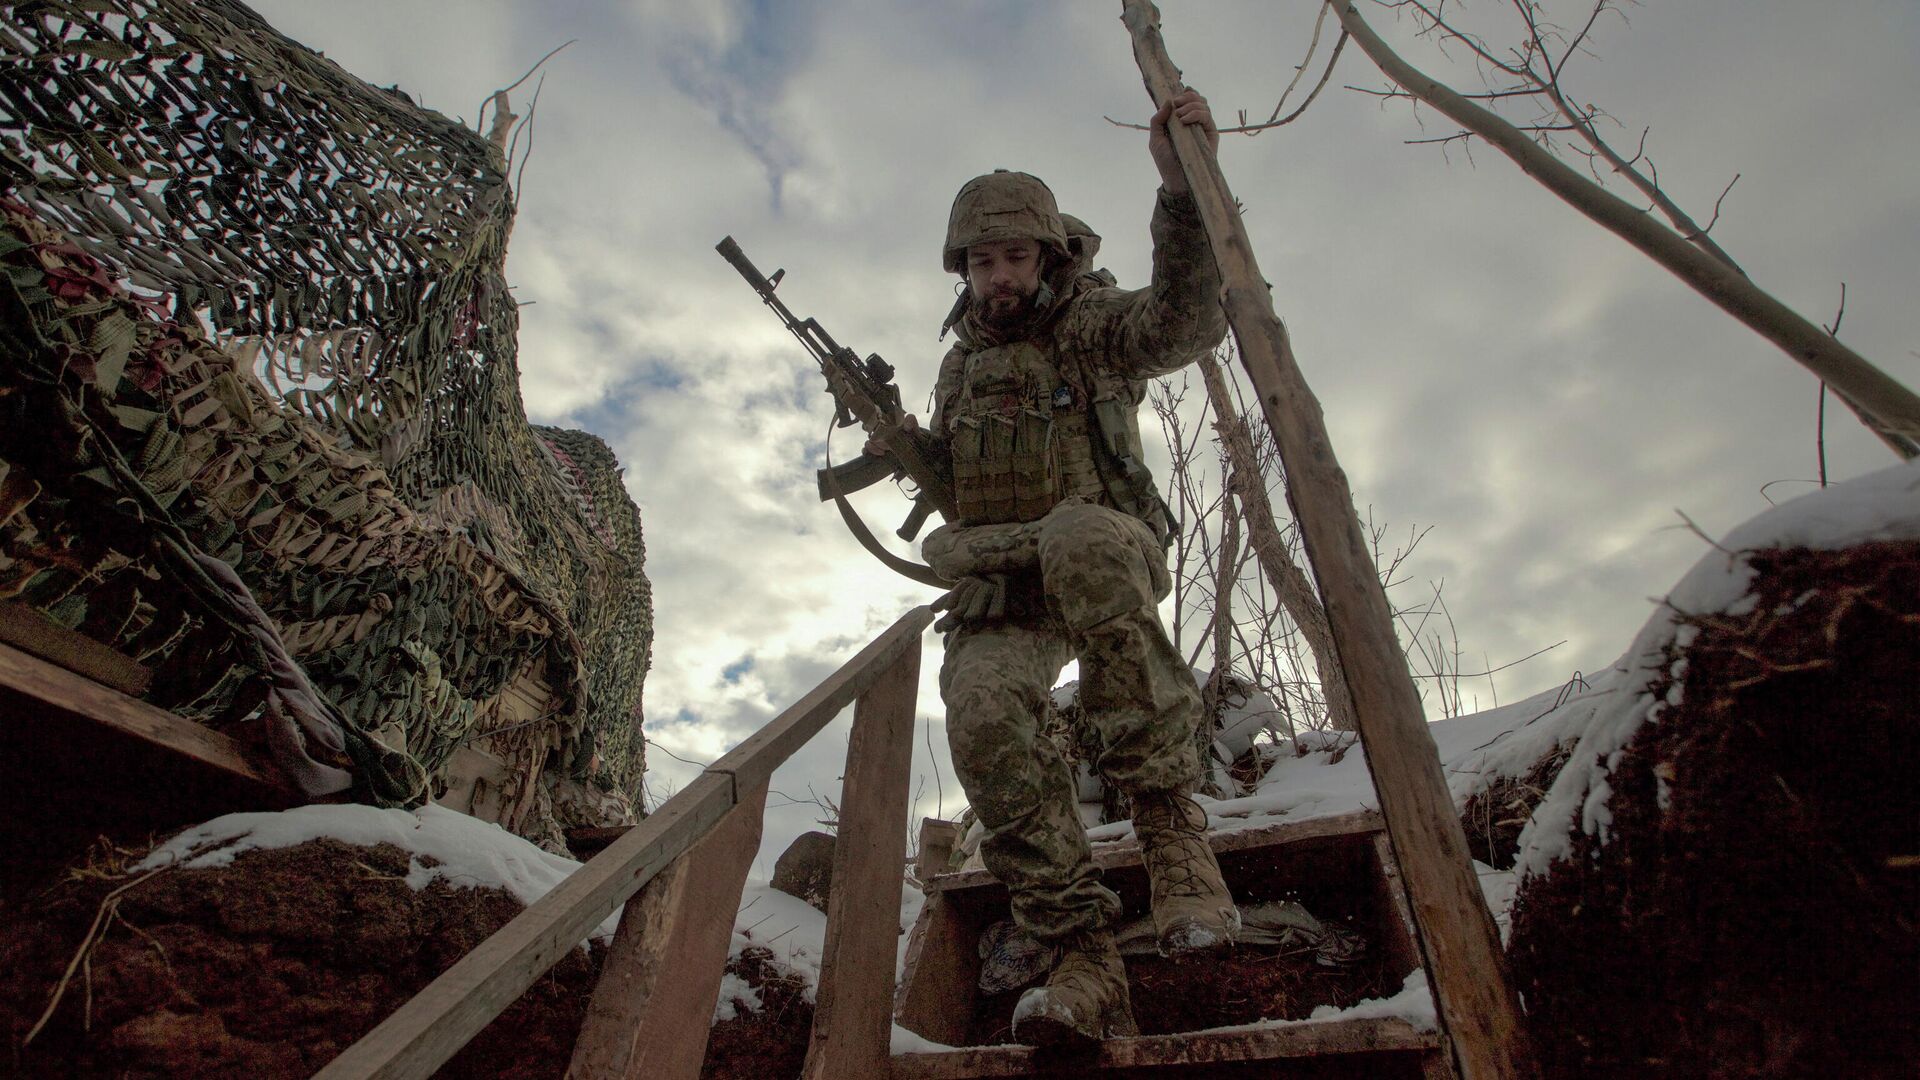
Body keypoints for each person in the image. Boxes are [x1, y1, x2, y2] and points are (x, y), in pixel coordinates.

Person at [900, 89, 1239, 1047]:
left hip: (1103, 559)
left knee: (1082, 538)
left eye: (1012, 256)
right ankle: (1083, 956)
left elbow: (1182, 323)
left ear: (1048, 257)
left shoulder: (1087, 329)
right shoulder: (960, 368)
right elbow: (962, 504)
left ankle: (1172, 832)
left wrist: (1181, 195)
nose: (995, 275)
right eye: (978, 259)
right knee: (979, 706)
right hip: (1009, 590)